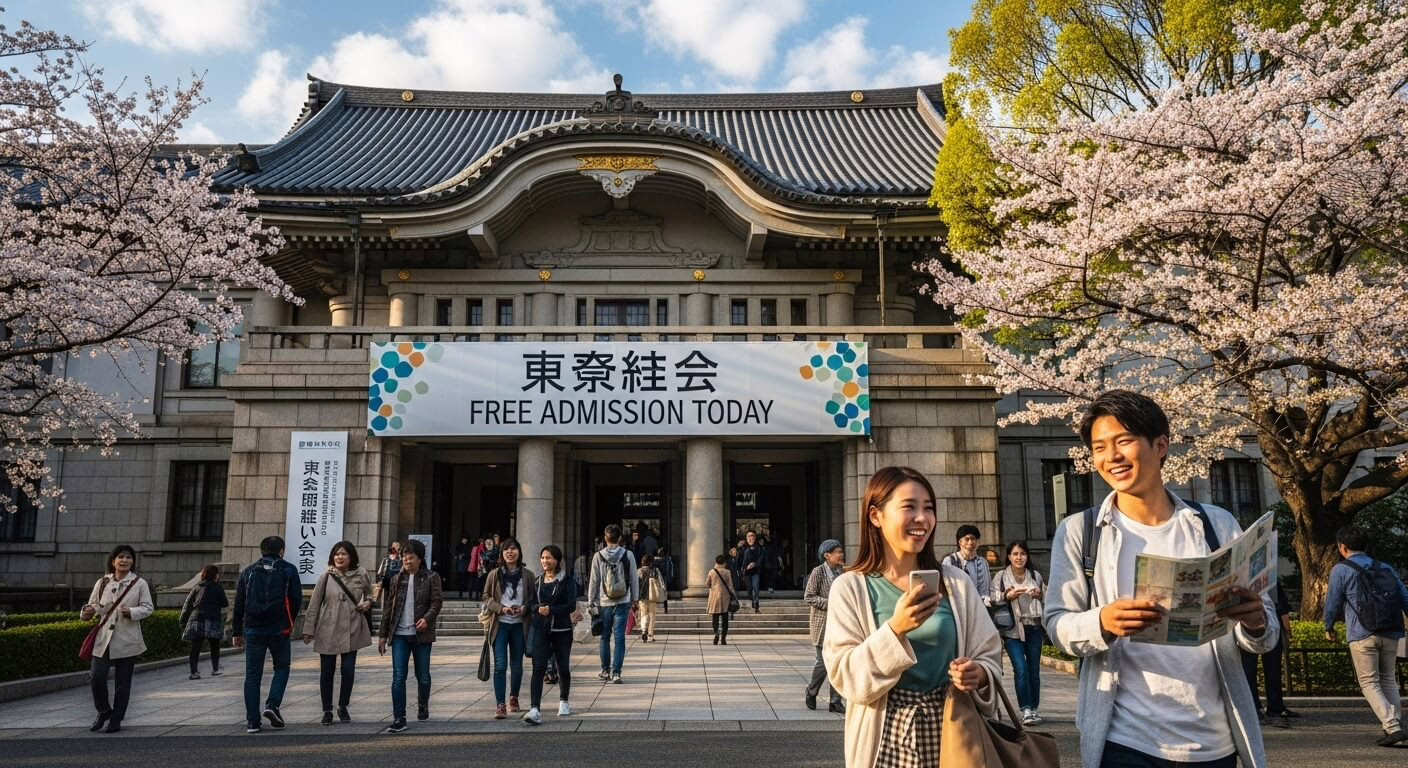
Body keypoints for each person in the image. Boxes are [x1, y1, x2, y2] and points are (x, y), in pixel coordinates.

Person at [1045, 389, 1278, 768]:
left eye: (1124, 442)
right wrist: (1102, 621)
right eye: (1099, 447)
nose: (1111, 457)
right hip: (1125, 740)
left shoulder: (1215, 524)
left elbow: (1262, 637)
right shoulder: (1082, 531)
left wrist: (1255, 621)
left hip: (1213, 740)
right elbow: (1056, 623)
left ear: (1160, 445)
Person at [823, 466, 1002, 768]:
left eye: (928, 509)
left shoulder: (956, 582)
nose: (922, 518)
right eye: (909, 507)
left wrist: (979, 673)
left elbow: (988, 653)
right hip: (885, 736)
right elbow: (845, 676)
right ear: (875, 516)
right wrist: (896, 629)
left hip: (954, 730)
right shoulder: (851, 586)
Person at [1323, 524, 1408, 747]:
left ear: (1342, 547)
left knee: (1369, 681)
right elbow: (1404, 596)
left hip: (1361, 632)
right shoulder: (1386, 568)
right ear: (1366, 545)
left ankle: (1393, 727)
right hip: (1390, 630)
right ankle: (1394, 727)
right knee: (1388, 678)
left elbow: (1333, 603)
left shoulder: (1341, 570)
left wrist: (1328, 626)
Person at [81, 544, 155, 734]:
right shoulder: (103, 582)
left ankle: (117, 718)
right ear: (113, 561)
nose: (124, 560)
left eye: (129, 558)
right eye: (120, 557)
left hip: (127, 637)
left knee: (123, 682)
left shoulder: (139, 583)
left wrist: (132, 611)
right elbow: (94, 605)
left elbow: (148, 607)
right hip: (104, 636)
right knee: (97, 676)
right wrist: (87, 612)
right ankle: (104, 710)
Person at [233, 535, 303, 734]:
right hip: (279, 628)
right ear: (281, 550)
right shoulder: (289, 569)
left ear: (262, 550)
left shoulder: (248, 571)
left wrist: (237, 631)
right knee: (282, 667)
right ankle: (272, 705)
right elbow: (296, 599)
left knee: (253, 675)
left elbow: (239, 603)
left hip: (253, 629)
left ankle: (252, 722)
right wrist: (289, 622)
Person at [302, 540, 374, 725]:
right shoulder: (326, 575)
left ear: (351, 557)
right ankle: (327, 710)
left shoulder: (361, 574)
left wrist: (368, 603)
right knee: (327, 671)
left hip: (352, 626)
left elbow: (370, 593)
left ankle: (343, 706)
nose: (339, 557)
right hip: (328, 627)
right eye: (336, 554)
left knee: (348, 671)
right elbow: (315, 603)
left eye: (343, 554)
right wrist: (308, 629)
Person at [378, 538, 443, 733]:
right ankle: (399, 717)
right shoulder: (397, 579)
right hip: (399, 634)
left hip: (421, 634)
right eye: (404, 556)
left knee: (422, 676)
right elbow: (389, 607)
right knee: (399, 676)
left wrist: (427, 619)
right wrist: (382, 636)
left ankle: (422, 704)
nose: (407, 560)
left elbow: (436, 602)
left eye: (411, 557)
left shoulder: (432, 577)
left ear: (420, 558)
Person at [991, 540, 1046, 725]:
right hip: (1012, 630)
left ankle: (1034, 707)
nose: (1019, 557)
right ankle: (1026, 709)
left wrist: (1039, 594)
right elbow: (992, 598)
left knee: (1034, 672)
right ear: (1009, 557)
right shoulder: (1000, 576)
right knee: (1021, 669)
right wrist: (1007, 596)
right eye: (1015, 554)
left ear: (1027, 556)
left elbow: (1047, 597)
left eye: (1022, 553)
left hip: (1034, 628)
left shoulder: (1035, 575)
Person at [524, 544, 578, 725]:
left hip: (561, 630)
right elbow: (530, 602)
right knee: (538, 668)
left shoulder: (567, 580)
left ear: (557, 560)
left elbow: (571, 605)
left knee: (562, 667)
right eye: (543, 558)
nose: (545, 561)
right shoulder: (538, 581)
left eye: (549, 558)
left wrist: (552, 610)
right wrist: (538, 608)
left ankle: (564, 700)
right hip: (541, 628)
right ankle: (534, 709)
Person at [483, 537, 536, 718]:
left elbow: (532, 599)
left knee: (517, 665)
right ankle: (500, 704)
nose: (510, 552)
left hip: (519, 625)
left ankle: (513, 696)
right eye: (506, 549)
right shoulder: (494, 574)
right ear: (502, 553)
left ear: (519, 552)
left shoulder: (528, 575)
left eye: (513, 549)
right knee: (500, 665)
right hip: (500, 625)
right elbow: (486, 597)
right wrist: (500, 608)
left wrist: (524, 608)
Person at [588, 523, 639, 683]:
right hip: (623, 600)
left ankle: (605, 670)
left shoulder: (598, 556)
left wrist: (591, 601)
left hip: (604, 602)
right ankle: (616, 672)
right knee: (619, 638)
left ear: (605, 537)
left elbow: (594, 580)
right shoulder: (628, 555)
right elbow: (633, 578)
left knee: (604, 637)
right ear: (620, 538)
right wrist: (635, 599)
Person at [1242, 579, 1296, 728]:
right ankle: (1259, 706)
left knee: (1267, 667)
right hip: (1250, 622)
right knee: (1252, 667)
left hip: (1269, 620)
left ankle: (1273, 706)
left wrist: (1286, 624)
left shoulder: (1269, 571)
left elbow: (1279, 599)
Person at [803, 539, 845, 713]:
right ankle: (812, 690)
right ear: (827, 555)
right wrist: (832, 603)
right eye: (838, 552)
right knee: (823, 662)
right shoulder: (818, 572)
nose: (842, 555)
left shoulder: (842, 572)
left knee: (839, 662)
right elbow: (809, 596)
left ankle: (835, 701)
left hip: (841, 623)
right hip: (823, 623)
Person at [180, 564, 227, 680]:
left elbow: (187, 605)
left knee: (196, 647)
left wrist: (182, 620)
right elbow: (225, 603)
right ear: (215, 575)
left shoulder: (196, 588)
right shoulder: (218, 588)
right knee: (214, 645)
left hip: (197, 618)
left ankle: (194, 672)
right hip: (212, 619)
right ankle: (215, 669)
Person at [945, 524, 992, 605]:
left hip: (980, 608)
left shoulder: (983, 562)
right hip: (957, 608)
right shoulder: (950, 561)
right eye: (967, 539)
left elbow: (986, 589)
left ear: (978, 542)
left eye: (973, 539)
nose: (970, 543)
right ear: (960, 542)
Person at [706, 554, 735, 645]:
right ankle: (723, 638)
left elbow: (707, 584)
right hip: (725, 597)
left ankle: (716, 633)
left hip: (714, 596)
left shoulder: (712, 572)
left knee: (715, 617)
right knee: (725, 618)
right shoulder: (727, 572)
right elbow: (730, 586)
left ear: (716, 562)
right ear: (724, 563)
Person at [637, 554, 665, 643]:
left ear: (642, 562)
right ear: (651, 562)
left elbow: (635, 583)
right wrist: (663, 592)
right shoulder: (655, 570)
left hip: (642, 596)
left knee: (643, 614)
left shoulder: (639, 571)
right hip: (652, 595)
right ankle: (650, 634)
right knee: (652, 615)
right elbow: (661, 582)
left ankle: (644, 630)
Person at [736, 531, 766, 613]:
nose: (750, 538)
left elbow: (761, 559)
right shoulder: (742, 548)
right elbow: (738, 560)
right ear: (746, 538)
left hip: (756, 571)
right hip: (746, 572)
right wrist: (740, 570)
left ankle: (756, 604)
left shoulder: (760, 548)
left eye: (752, 536)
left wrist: (754, 564)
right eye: (748, 536)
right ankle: (752, 600)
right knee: (749, 590)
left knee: (755, 588)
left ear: (755, 537)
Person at [454, 535, 471, 599]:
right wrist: (459, 555)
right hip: (460, 565)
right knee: (460, 578)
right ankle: (460, 592)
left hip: (465, 565)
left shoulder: (467, 546)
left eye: (466, 539)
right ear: (462, 540)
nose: (465, 541)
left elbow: (468, 554)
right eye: (464, 539)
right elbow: (456, 555)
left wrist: (463, 555)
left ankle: (463, 590)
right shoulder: (459, 546)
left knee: (464, 578)